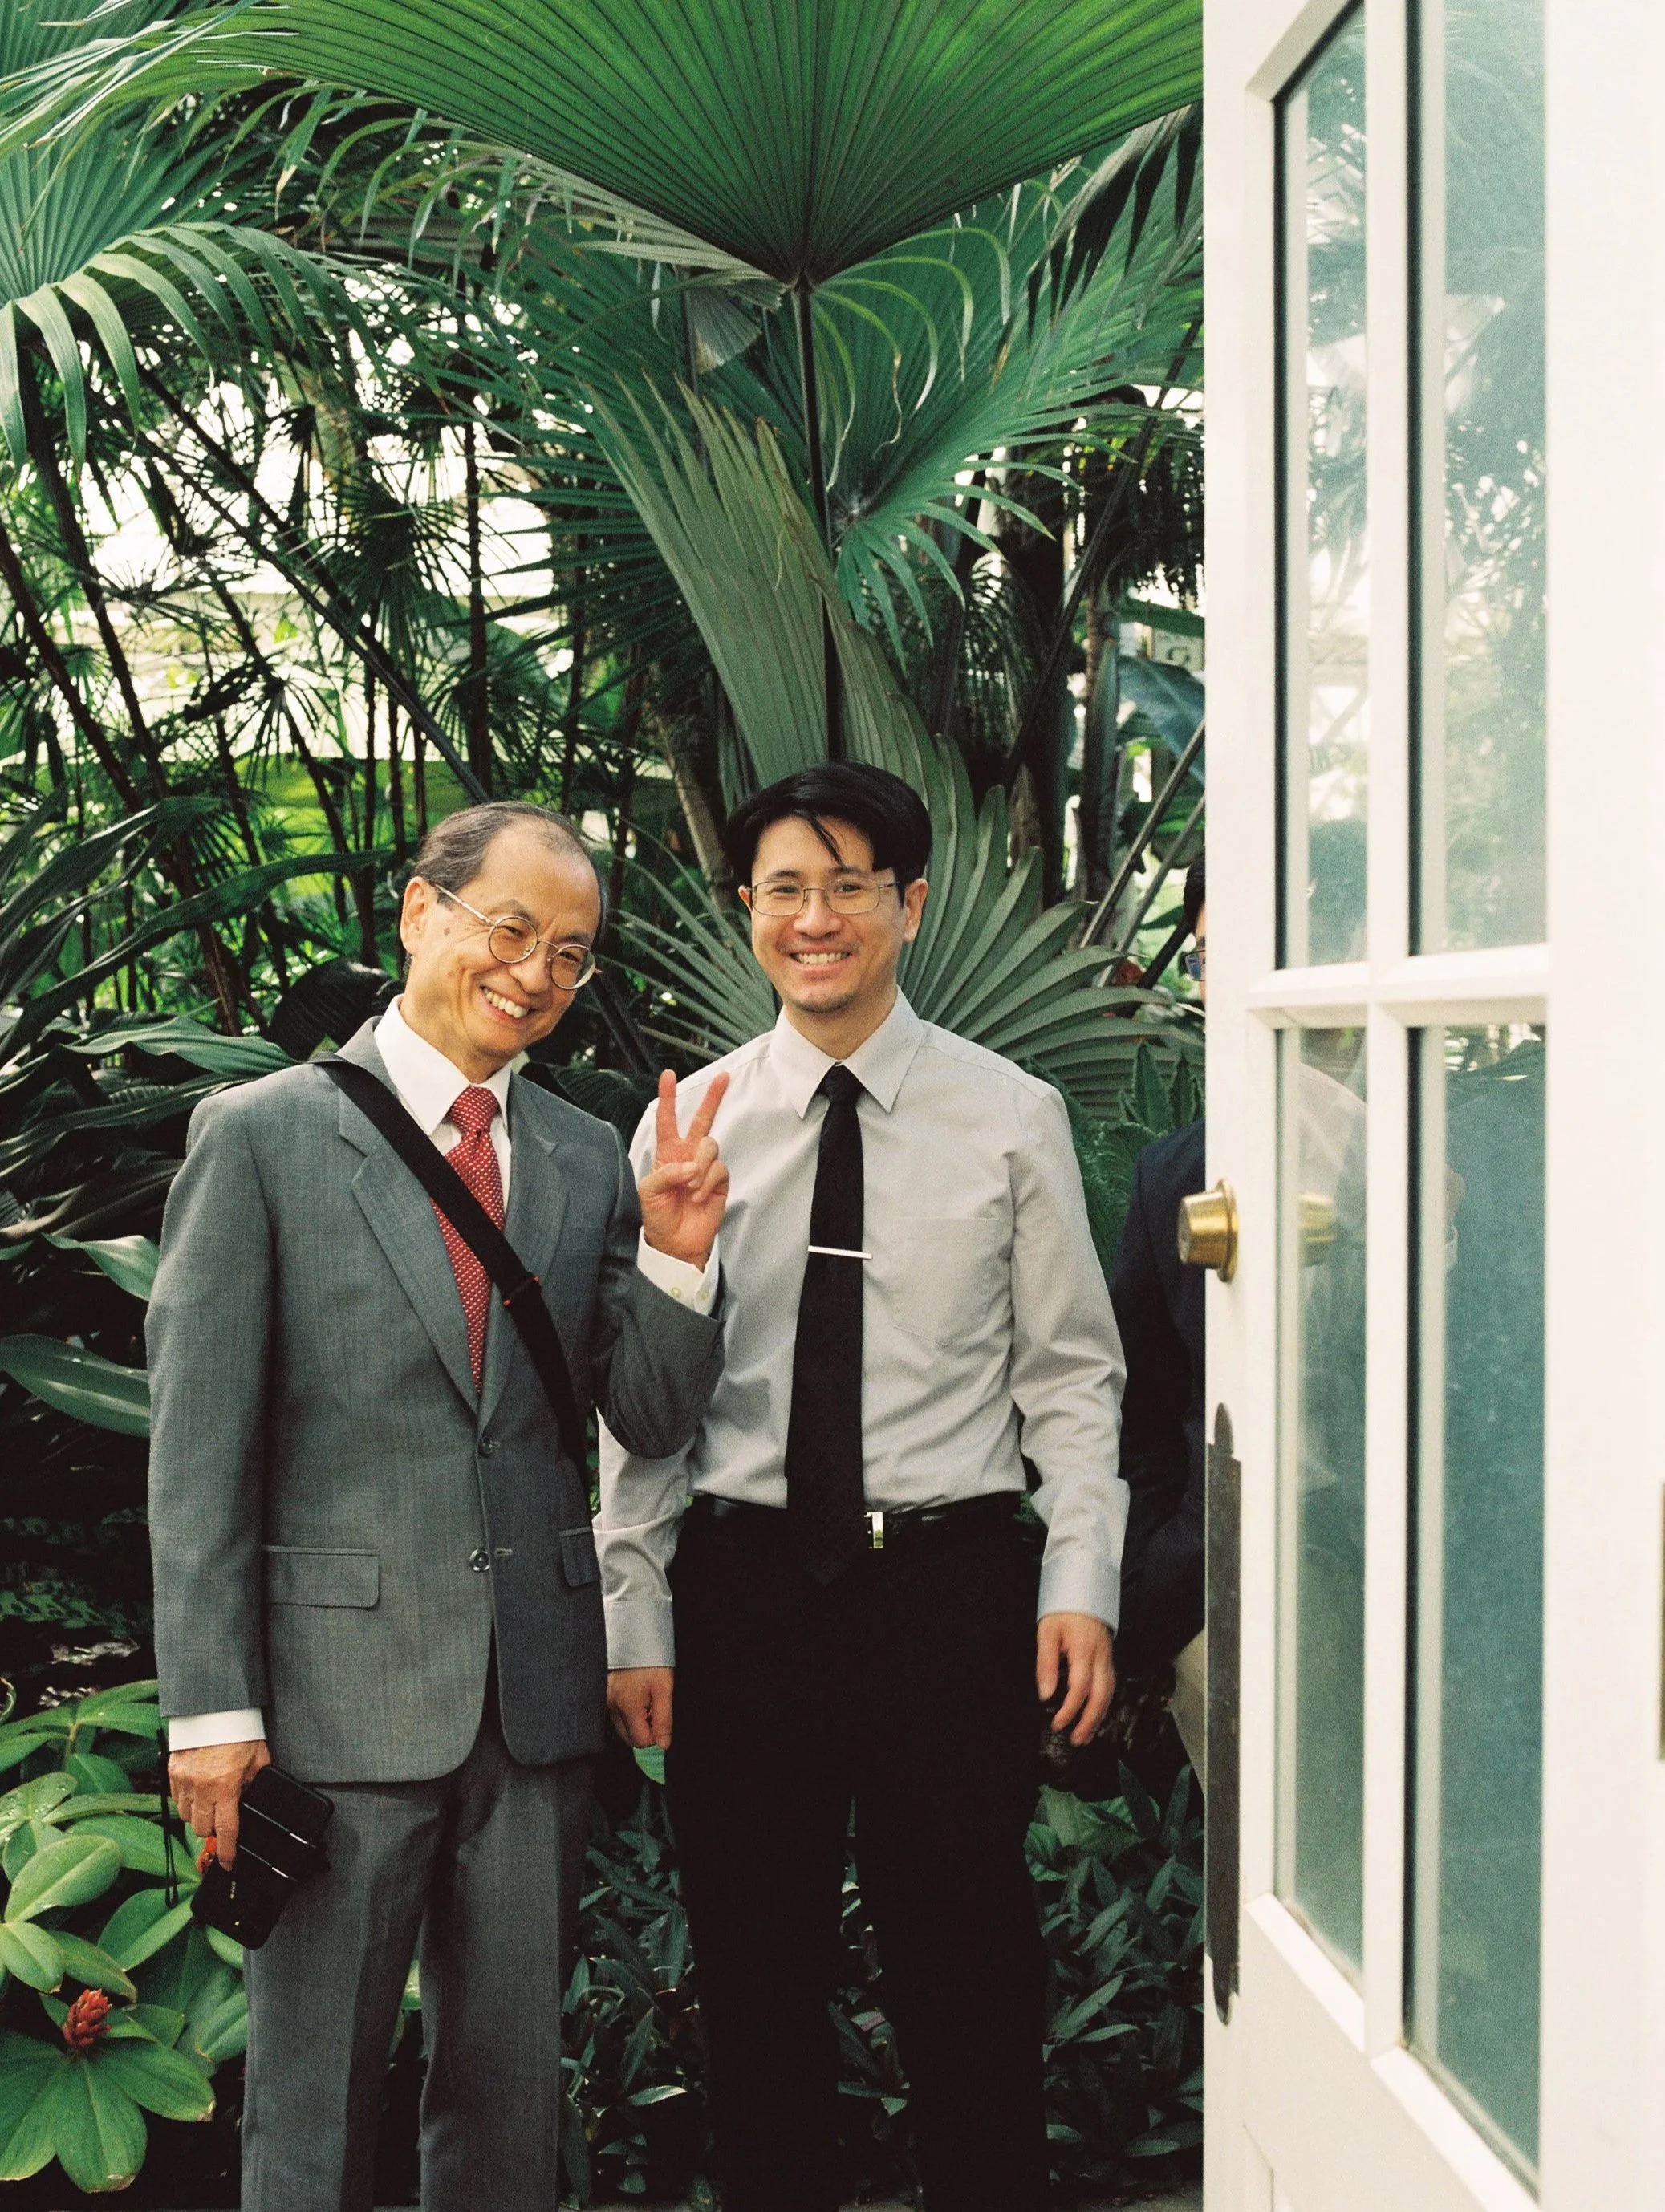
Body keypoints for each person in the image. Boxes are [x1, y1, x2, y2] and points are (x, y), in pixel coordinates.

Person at [147, 801, 729, 2212]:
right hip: (336, 1703)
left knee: (511, 2092)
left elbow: (645, 1413)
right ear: (422, 914)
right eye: (510, 929)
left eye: (573, 954)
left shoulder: (591, 1152)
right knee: (315, 2098)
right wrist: (213, 1716)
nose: (536, 973)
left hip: (531, 1697)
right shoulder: (262, 1137)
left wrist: (676, 1256)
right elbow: (197, 1445)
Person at [597, 762, 1127, 2212]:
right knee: (754, 1975)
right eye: (783, 888)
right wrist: (634, 1607)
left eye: (846, 886)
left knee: (970, 1970)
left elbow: (1073, 1380)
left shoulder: (1012, 1116)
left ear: (909, 903)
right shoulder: (686, 1122)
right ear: (751, 911)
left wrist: (1078, 1582)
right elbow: (648, 1408)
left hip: (944, 1590)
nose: (813, 918)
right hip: (743, 1590)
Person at [1111, 855, 1207, 1779]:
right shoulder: (1173, 1175)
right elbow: (1135, 1405)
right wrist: (1161, 1581)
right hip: (1222, 1601)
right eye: (1214, 960)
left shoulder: (1480, 1146)